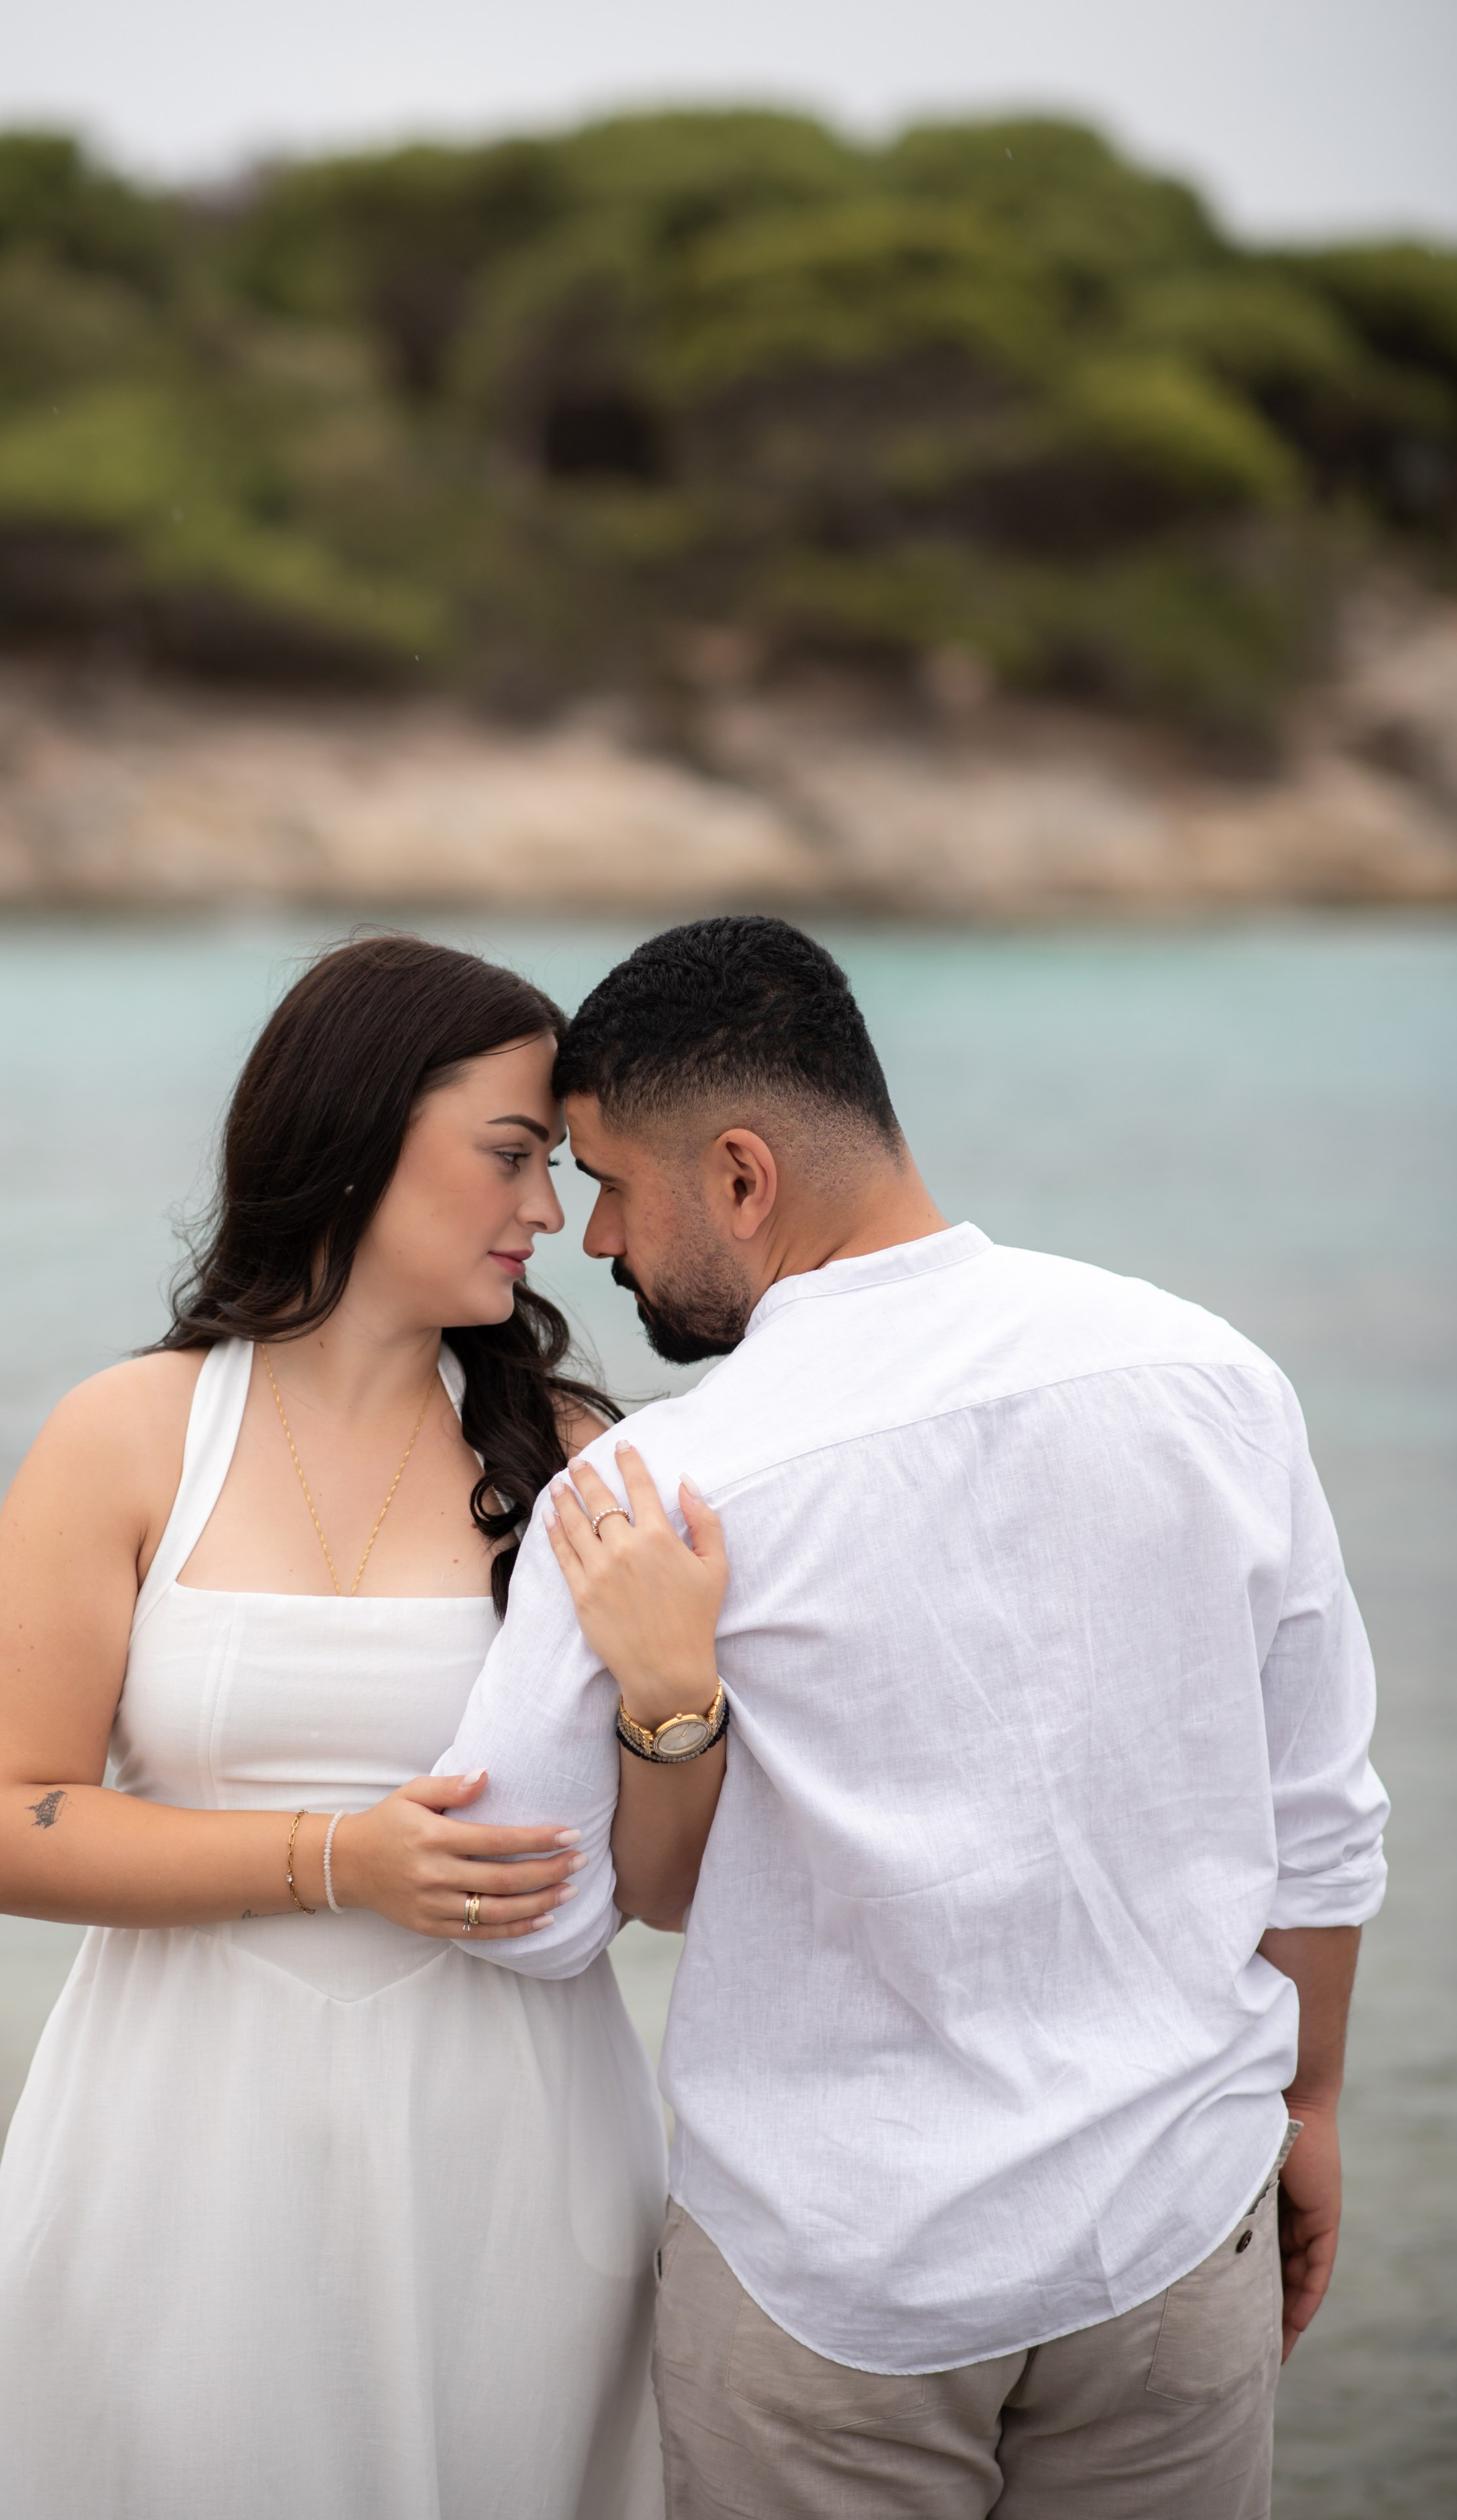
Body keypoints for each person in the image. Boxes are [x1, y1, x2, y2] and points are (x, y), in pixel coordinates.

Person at [435, 913, 1389, 2520]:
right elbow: (1318, 1815)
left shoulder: (648, 1496)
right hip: (1169, 2224)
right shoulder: (1210, 1374)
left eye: (609, 1182)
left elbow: (534, 1911)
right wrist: (1308, 2108)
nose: (594, 1238)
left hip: (837, 2286)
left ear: (741, 1177)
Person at [0, 935, 667, 2520]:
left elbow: (673, 1864)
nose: (545, 1211)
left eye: (551, 1167)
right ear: (355, 1131)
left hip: (510, 2142)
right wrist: (341, 1857)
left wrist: (683, 1699)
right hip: (185, 2131)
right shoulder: (126, 1434)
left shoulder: (576, 1461)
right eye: (509, 1155)